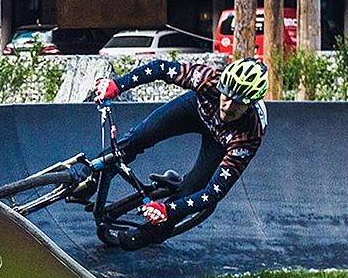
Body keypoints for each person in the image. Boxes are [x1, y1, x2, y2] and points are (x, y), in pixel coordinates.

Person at [84, 57, 270, 244]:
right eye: (227, 95)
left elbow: (215, 192)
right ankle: (88, 177)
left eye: (238, 103)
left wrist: (168, 210)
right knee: (138, 137)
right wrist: (117, 85)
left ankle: (149, 233)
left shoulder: (250, 135)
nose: (228, 106)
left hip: (221, 142)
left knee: (191, 191)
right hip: (196, 110)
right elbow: (160, 68)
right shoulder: (208, 80)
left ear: (251, 103)